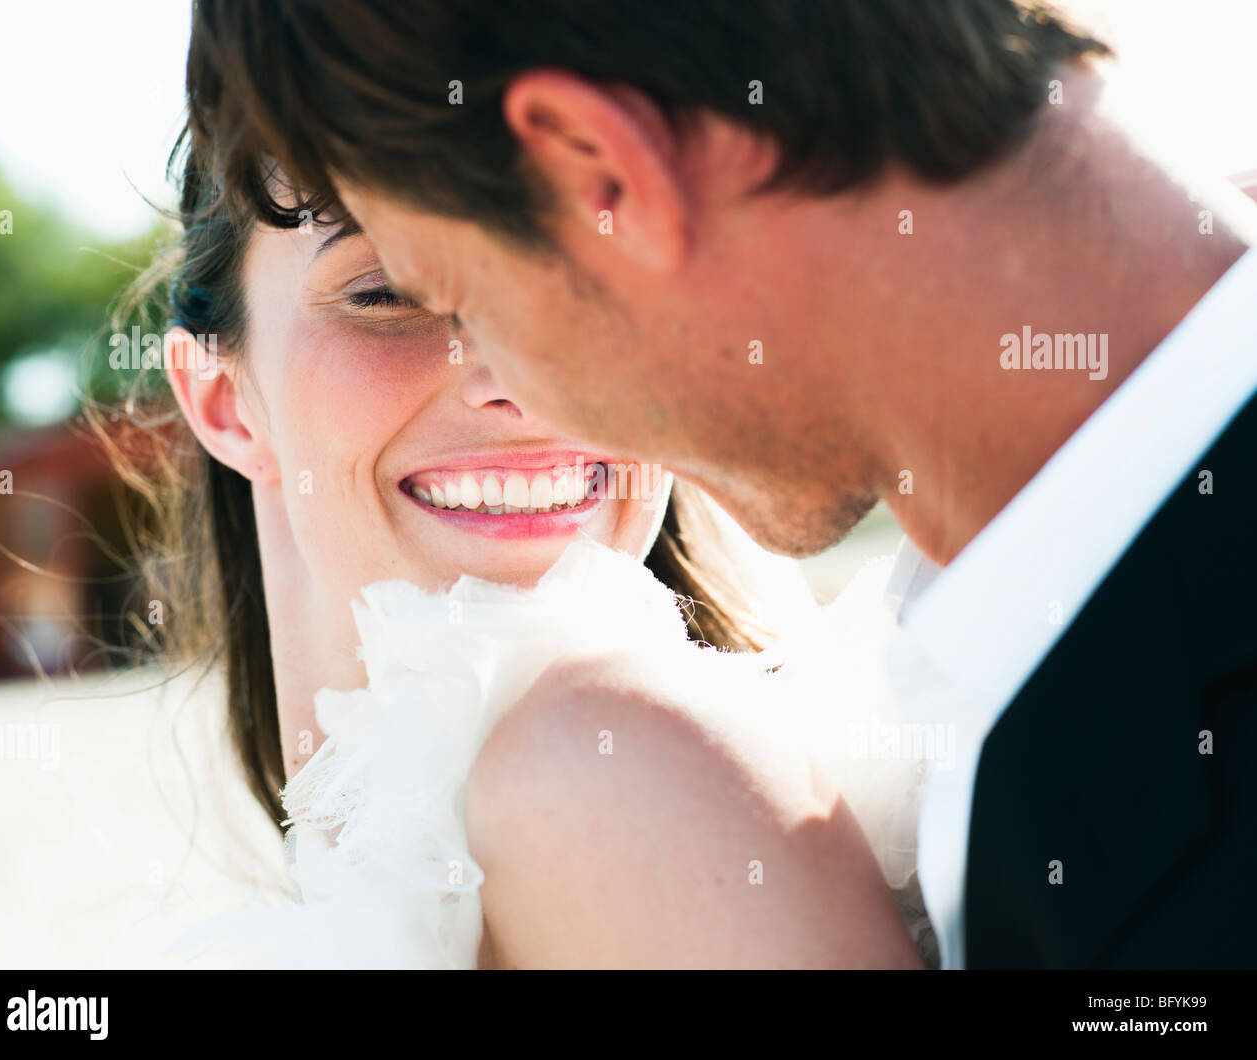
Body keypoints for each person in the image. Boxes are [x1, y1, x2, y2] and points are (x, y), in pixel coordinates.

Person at [184, 0, 1257, 967]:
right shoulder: (986, 679)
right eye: (396, 297)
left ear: (599, 170)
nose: (509, 390)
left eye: (451, 281)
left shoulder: (622, 778)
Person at [105, 129, 933, 968]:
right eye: (391, 290)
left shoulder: (615, 770)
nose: (523, 380)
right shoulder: (427, 849)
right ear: (223, 403)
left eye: (586, 284)